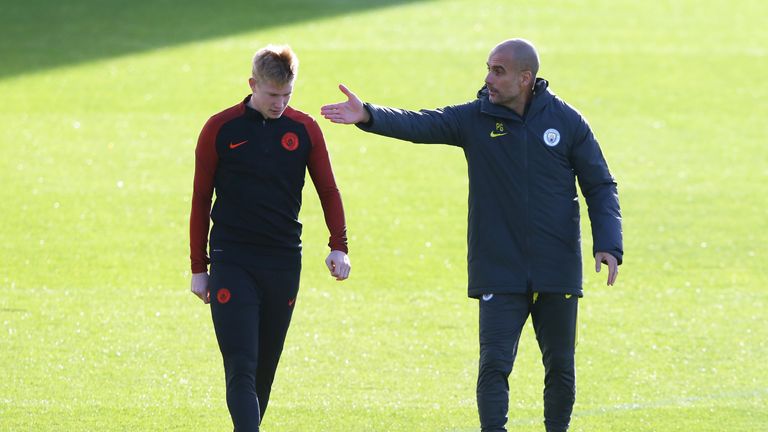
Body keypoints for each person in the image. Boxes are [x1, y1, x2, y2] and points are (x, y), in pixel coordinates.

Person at [320, 38, 621, 432]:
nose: (488, 79)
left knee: (561, 368)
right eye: (488, 68)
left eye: (498, 71)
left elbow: (599, 184)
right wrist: (369, 115)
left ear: (525, 78)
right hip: (499, 266)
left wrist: (608, 244)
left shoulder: (566, 122)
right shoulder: (475, 119)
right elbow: (421, 123)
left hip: (556, 266)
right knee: (494, 365)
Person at [189, 44, 351, 431]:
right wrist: (199, 267)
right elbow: (200, 199)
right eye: (272, 95)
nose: (280, 104)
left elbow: (328, 190)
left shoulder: (304, 129)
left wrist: (338, 246)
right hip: (232, 259)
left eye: (287, 95)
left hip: (282, 262)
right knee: (241, 365)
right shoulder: (220, 128)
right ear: (252, 84)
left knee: (264, 369)